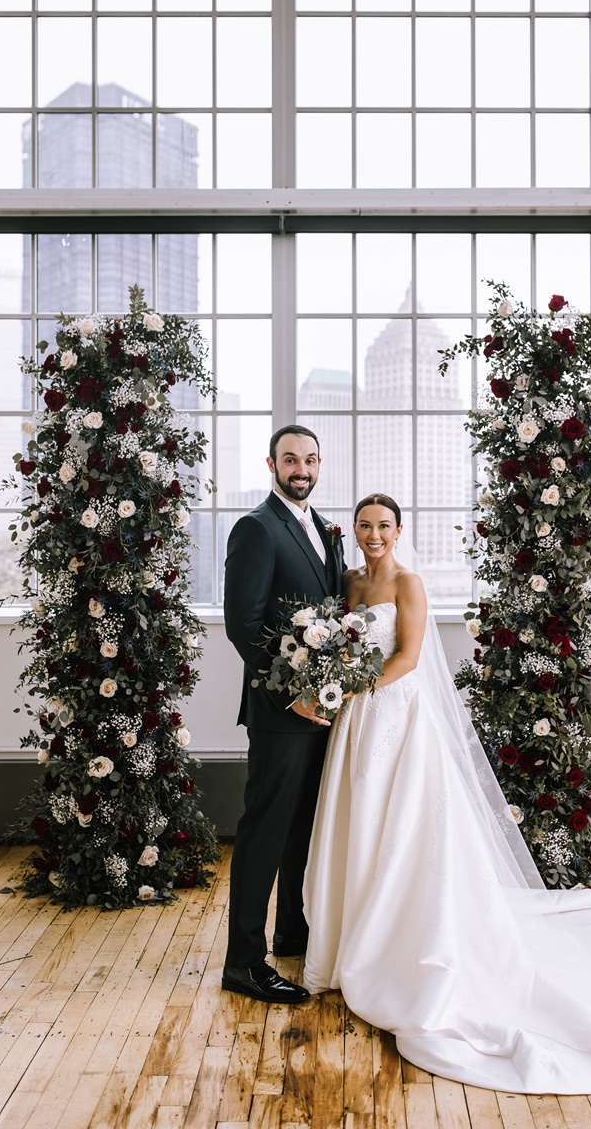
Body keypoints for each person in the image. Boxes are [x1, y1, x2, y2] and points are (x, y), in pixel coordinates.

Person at [303, 493, 591, 1094]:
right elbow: (341, 642)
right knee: (359, 824)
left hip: (395, 715)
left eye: (383, 525)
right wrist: (337, 684)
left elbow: (407, 656)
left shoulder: (409, 583)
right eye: (364, 525)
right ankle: (351, 936)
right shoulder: (349, 582)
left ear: (399, 530)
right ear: (353, 531)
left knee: (401, 829)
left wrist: (353, 688)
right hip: (356, 722)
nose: (374, 534)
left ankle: (399, 946)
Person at [222, 425, 345, 1004]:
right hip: (279, 710)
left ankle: (292, 936)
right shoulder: (256, 528)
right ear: (270, 462)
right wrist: (290, 692)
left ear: (320, 465)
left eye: (311, 459)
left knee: (304, 829)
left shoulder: (325, 530)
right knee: (265, 831)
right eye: (291, 458)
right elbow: (243, 625)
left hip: (324, 710)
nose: (301, 468)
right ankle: (244, 962)